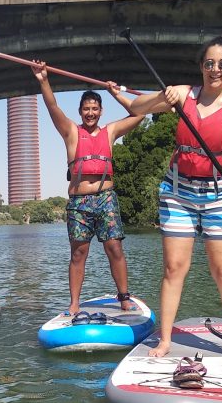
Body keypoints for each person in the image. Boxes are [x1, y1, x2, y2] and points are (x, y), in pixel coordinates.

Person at [128, 36, 222, 363]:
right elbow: (133, 108)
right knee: (174, 267)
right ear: (201, 67)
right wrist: (159, 98)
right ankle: (165, 340)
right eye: (209, 63)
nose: (215, 69)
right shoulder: (183, 95)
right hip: (179, 192)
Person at [32, 61, 145, 317]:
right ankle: (74, 303)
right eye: (86, 109)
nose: (90, 113)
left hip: (106, 198)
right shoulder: (71, 132)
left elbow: (139, 114)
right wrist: (43, 80)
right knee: (79, 253)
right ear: (81, 111)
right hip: (79, 203)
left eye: (95, 108)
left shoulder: (110, 131)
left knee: (114, 247)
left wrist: (117, 94)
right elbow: (52, 107)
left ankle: (124, 297)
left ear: (101, 111)